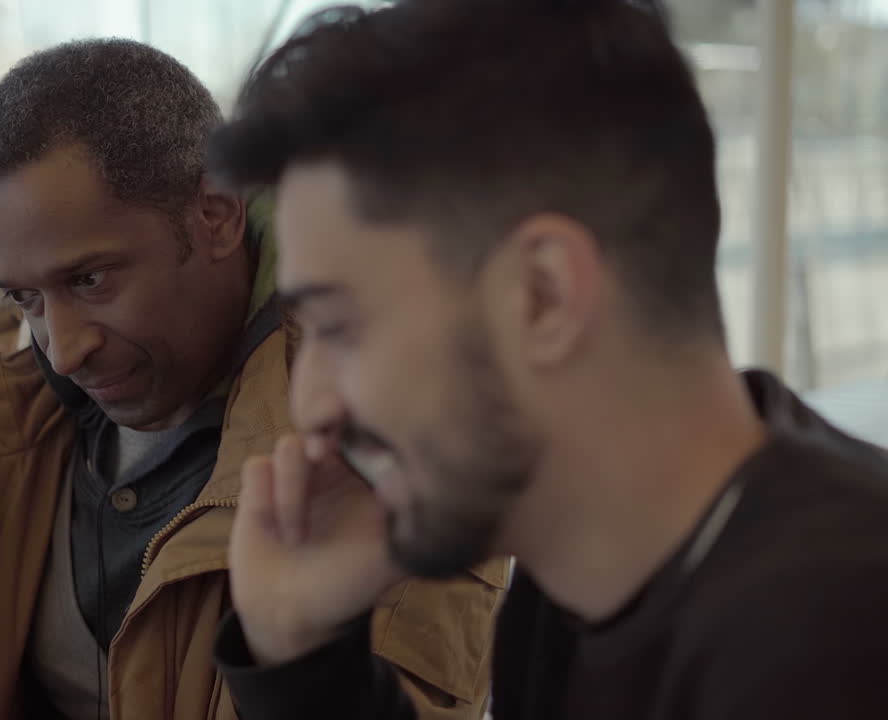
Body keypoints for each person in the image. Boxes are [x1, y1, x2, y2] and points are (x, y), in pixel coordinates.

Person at [0, 39, 508, 720]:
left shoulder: (375, 437)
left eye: (91, 280)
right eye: (25, 298)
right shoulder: (9, 412)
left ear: (217, 215)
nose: (62, 347)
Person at [202, 1, 888, 719]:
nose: (309, 406)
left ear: (543, 295)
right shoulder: (572, 582)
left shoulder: (833, 644)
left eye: (339, 327)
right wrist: (298, 652)